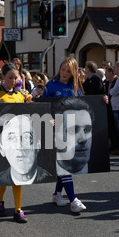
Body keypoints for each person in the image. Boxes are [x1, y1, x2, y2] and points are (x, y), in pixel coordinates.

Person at [41, 57, 87, 214]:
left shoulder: (75, 88)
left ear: (73, 72)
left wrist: (102, 100)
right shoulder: (51, 85)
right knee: (64, 163)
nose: (65, 73)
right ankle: (73, 200)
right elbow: (43, 105)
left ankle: (56, 194)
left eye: (69, 71)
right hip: (56, 130)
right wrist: (48, 118)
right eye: (63, 69)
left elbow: (84, 105)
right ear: (59, 68)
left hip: (71, 129)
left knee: (64, 163)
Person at [0, 63, 28, 223]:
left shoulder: (21, 95)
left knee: (18, 175)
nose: (13, 81)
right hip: (3, 140)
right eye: (10, 77)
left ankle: (18, 209)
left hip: (19, 139)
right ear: (2, 77)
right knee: (5, 174)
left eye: (16, 77)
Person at [0, 107, 52, 185]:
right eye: (11, 138)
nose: (20, 147)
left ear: (38, 144)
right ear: (1, 148)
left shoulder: (49, 178)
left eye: (26, 137)